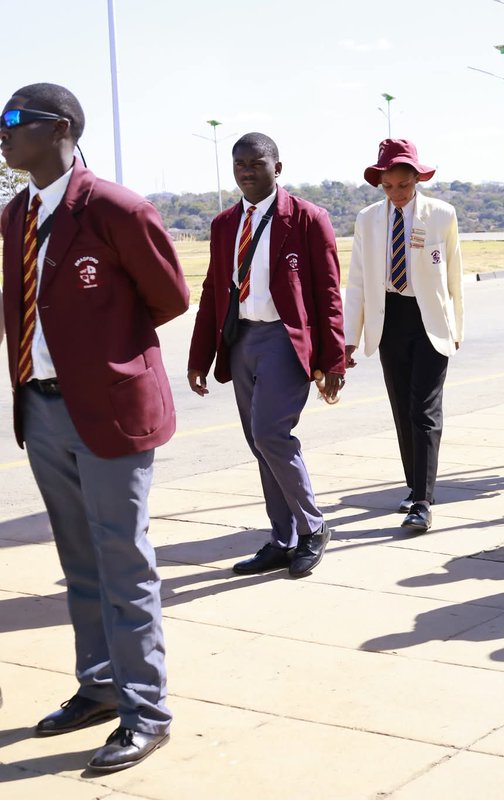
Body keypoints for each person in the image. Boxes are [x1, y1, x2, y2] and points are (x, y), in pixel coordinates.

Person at [1, 83, 188, 771]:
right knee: (79, 561)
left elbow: (169, 296)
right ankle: (100, 686)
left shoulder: (113, 207)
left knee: (124, 562)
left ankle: (147, 710)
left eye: (14, 121)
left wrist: (106, 356)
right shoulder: (15, 214)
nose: (3, 131)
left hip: (107, 412)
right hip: (42, 408)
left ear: (60, 129)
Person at [188, 133, 345, 579]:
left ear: (278, 168)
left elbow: (329, 294)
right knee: (259, 444)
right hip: (241, 342)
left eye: (256, 163)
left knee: (271, 434)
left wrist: (332, 362)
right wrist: (199, 356)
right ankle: (283, 539)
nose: (246, 171)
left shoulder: (308, 219)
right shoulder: (223, 225)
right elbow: (211, 293)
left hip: (284, 339)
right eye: (239, 163)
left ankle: (313, 528)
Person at [343, 139, 463, 533]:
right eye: (388, 186)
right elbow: (358, 280)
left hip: (429, 319)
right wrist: (349, 337)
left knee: (424, 410)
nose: (397, 194)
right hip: (389, 318)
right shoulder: (367, 220)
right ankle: (414, 487)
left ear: (417, 179)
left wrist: (456, 326)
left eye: (404, 185)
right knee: (401, 408)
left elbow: (454, 278)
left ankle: (424, 501)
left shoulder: (442, 215)